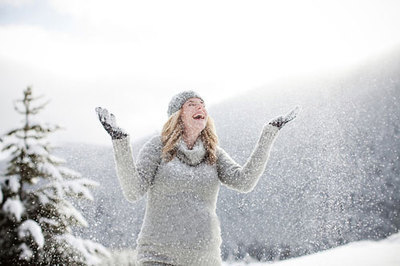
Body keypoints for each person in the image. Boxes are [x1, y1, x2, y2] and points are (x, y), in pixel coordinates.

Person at [95, 91, 299, 266]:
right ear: (177, 115)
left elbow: (244, 181)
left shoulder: (213, 153)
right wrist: (120, 141)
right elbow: (133, 191)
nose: (200, 107)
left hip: (205, 259)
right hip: (158, 258)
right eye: (191, 104)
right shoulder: (158, 147)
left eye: (202, 104)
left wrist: (269, 133)